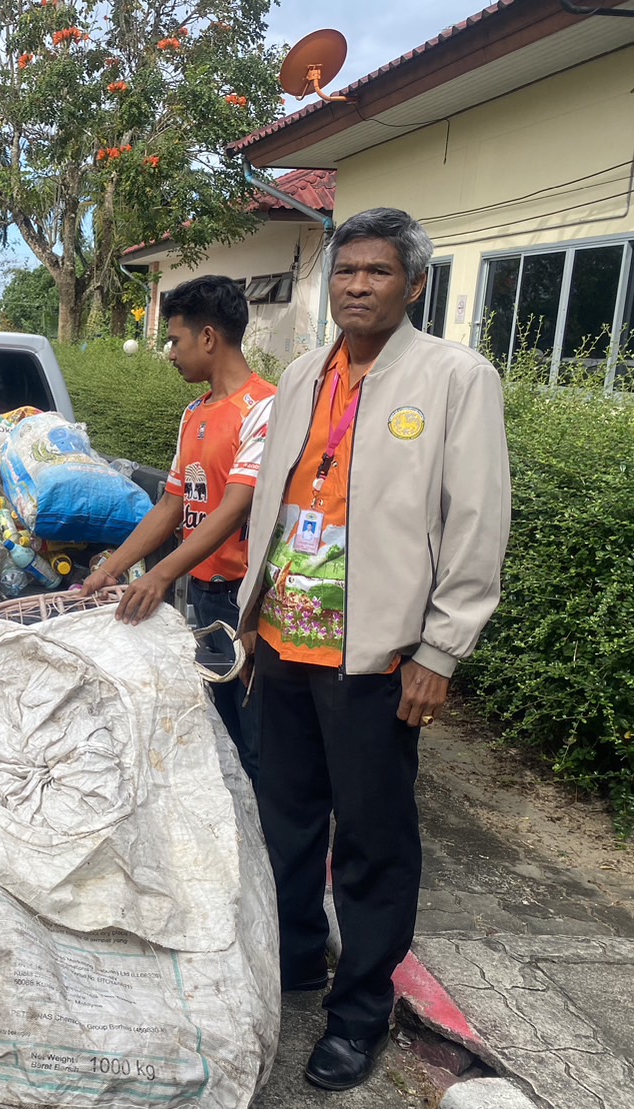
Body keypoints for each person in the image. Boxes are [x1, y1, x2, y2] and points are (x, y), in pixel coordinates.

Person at [237, 208, 511, 1091]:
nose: (355, 285)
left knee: (372, 843)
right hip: (284, 637)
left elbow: (474, 522)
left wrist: (440, 648)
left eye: (377, 272)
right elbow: (275, 499)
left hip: (377, 656)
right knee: (283, 824)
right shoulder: (303, 369)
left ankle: (357, 1013)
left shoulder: (453, 377)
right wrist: (248, 612)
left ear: (414, 284)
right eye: (345, 270)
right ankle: (294, 963)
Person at [81, 275, 274, 780]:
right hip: (205, 596)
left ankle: (277, 852)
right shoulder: (195, 413)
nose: (169, 353)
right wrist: (112, 567)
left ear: (208, 338)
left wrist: (160, 575)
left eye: (174, 339)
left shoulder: (266, 409)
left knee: (259, 743)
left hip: (250, 603)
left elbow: (235, 507)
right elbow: (172, 504)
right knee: (218, 733)